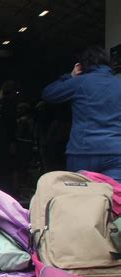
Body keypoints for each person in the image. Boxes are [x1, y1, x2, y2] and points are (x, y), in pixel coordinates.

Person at [42, 45, 121, 182]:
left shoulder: (79, 83)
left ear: (82, 65)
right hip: (116, 151)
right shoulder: (118, 84)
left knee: (82, 198)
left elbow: (49, 94)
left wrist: (70, 76)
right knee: (115, 197)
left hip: (83, 151)